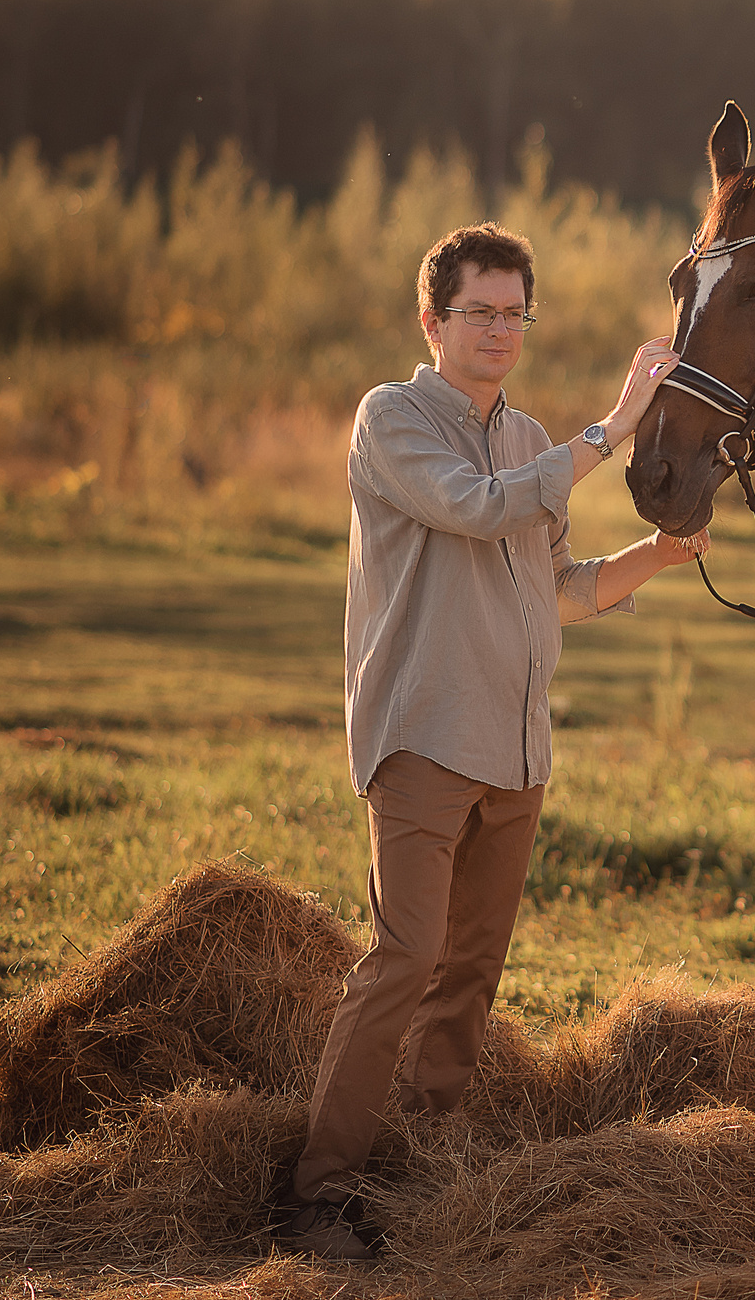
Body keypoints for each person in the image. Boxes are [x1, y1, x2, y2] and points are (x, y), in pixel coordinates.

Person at [275, 221, 709, 1261]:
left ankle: (424, 1160)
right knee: (404, 957)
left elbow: (555, 586)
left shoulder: (528, 440)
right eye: (480, 311)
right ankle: (319, 1192)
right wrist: (613, 426)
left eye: (516, 312)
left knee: (470, 970)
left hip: (517, 753)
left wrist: (656, 553)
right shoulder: (392, 419)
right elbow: (472, 511)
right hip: (424, 737)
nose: (500, 330)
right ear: (433, 320)